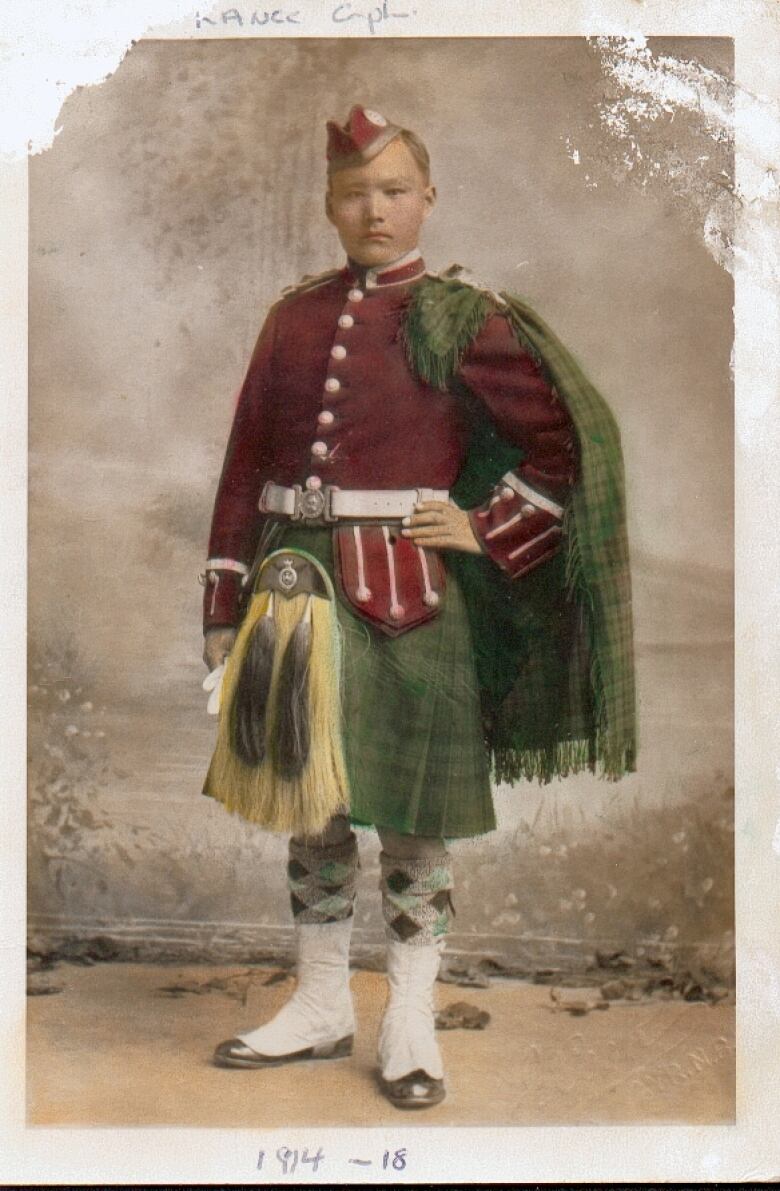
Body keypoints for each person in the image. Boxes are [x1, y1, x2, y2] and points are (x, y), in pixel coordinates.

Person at [200, 105, 636, 1110]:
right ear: (329, 204)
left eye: (394, 191)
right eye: (355, 194)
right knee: (308, 809)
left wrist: (485, 529)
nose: (375, 210)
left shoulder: (461, 318)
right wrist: (225, 597)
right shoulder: (293, 318)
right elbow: (242, 468)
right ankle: (317, 1004)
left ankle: (407, 1020)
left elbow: (566, 448)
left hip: (406, 596)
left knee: (412, 822)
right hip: (293, 588)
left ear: (427, 198)